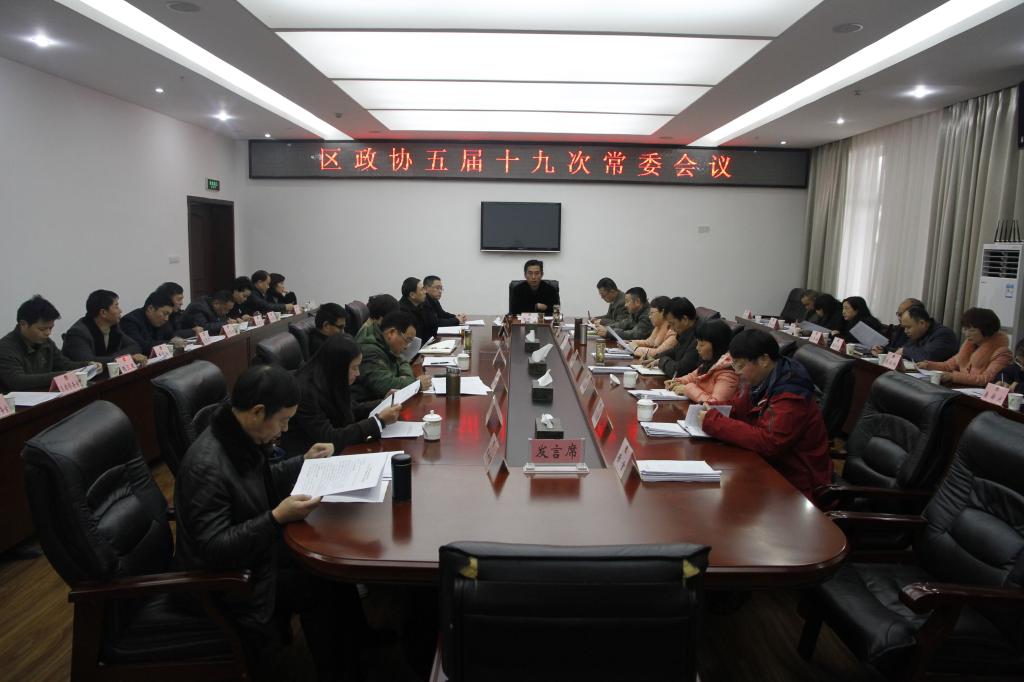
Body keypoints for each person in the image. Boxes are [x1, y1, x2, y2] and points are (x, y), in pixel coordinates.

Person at [173, 365, 368, 681]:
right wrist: (276, 518)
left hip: (254, 554)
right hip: (226, 581)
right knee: (317, 583)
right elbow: (214, 548)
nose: (286, 429)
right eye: (283, 420)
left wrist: (303, 461)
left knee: (333, 558)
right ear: (258, 412)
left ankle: (360, 643)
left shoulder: (239, 436)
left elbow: (259, 480)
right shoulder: (206, 466)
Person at [699, 328, 833, 507]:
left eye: (740, 366)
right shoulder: (762, 380)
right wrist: (712, 408)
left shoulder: (791, 394)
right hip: (767, 467)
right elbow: (739, 408)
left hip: (796, 484)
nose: (737, 372)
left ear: (764, 360)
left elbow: (769, 442)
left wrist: (714, 421)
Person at [283, 335, 403, 456]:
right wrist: (378, 421)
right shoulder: (305, 392)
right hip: (311, 458)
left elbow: (352, 409)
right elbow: (328, 438)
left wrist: (384, 402)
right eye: (354, 368)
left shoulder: (331, 377)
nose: (358, 373)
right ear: (338, 366)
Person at [0, 295, 95, 392]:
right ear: (23, 324)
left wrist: (87, 365)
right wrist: (62, 376)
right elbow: (17, 381)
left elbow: (64, 364)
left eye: (51, 328)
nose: (48, 333)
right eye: (42, 329)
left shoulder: (46, 342)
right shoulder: (5, 348)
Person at [918, 307, 1012, 386]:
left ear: (986, 330)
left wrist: (953, 376)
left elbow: (985, 379)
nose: (966, 334)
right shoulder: (971, 346)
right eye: (965, 329)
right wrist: (928, 365)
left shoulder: (1002, 353)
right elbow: (948, 366)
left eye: (972, 330)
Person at [352, 310, 430, 403]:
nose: (407, 347)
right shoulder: (370, 350)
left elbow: (403, 360)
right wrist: (416, 384)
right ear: (392, 332)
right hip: (369, 404)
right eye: (407, 340)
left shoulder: (388, 343)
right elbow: (385, 385)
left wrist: (406, 378)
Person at [62, 289, 146, 366]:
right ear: (103, 313)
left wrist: (116, 358)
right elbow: (90, 362)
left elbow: (135, 347)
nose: (120, 310)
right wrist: (124, 359)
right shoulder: (78, 333)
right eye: (116, 307)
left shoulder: (113, 327)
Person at [666, 319, 739, 403]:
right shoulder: (710, 363)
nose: (697, 348)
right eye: (697, 343)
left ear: (717, 346)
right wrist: (677, 381)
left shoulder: (728, 373)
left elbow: (716, 404)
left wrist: (687, 389)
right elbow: (692, 377)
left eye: (701, 344)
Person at [884, 304, 959, 362]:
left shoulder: (944, 334)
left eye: (908, 327)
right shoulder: (918, 334)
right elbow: (903, 349)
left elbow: (927, 356)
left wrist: (904, 351)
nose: (905, 331)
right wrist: (884, 350)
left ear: (922, 323)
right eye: (904, 327)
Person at [120, 290, 186, 354]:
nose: (167, 319)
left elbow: (170, 336)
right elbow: (139, 346)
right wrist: (170, 344)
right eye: (165, 313)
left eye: (169, 315)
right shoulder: (130, 321)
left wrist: (177, 340)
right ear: (150, 308)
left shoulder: (161, 321)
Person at [656, 297, 701, 379]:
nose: (671, 328)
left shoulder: (700, 337)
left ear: (684, 319)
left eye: (672, 324)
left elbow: (678, 371)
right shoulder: (687, 332)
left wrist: (661, 360)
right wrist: (655, 357)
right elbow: (676, 350)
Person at [632, 296, 677, 361]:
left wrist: (635, 348)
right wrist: (630, 343)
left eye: (652, 313)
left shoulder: (673, 330)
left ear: (663, 312)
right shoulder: (658, 326)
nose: (649, 317)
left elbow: (657, 353)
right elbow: (649, 342)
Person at [399, 277, 437, 343]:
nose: (425, 292)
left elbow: (432, 327)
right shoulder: (403, 312)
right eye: (422, 289)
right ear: (412, 295)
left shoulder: (421, 305)